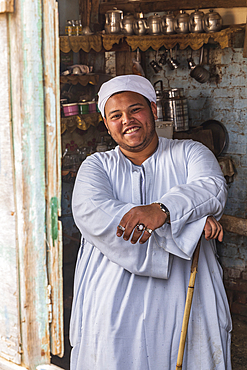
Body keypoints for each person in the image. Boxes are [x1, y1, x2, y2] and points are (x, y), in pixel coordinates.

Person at [70, 74, 232, 370]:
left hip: (187, 289)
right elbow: (93, 215)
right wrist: (191, 226)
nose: (127, 120)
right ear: (106, 125)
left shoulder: (190, 152)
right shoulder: (97, 166)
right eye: (115, 115)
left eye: (135, 109)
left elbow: (212, 188)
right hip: (113, 294)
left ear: (153, 111)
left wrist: (163, 209)